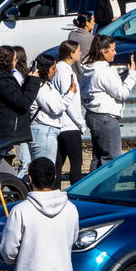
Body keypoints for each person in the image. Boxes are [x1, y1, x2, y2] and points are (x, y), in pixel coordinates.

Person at [0, 158, 78, 271]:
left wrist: (21, 261)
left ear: (30, 179)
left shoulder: (20, 211)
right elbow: (72, 240)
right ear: (55, 176)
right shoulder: (71, 208)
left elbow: (8, 250)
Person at [82, 35, 135, 171]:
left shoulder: (88, 69)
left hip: (93, 115)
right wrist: (132, 75)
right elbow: (122, 93)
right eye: (112, 50)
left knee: (98, 157)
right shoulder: (105, 71)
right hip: (106, 118)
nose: (115, 53)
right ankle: (106, 190)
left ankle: (90, 188)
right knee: (112, 159)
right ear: (103, 51)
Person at [0, 46, 40, 162]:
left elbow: (17, 96)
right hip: (8, 132)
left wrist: (28, 80)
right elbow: (23, 103)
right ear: (8, 61)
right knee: (7, 168)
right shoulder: (2, 80)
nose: (16, 62)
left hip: (8, 129)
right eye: (15, 59)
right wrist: (33, 82)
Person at [53, 41, 87, 186]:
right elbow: (70, 103)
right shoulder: (66, 73)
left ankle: (54, 191)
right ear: (71, 54)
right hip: (70, 126)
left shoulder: (57, 70)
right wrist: (81, 123)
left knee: (58, 164)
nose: (80, 53)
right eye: (78, 51)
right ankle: (76, 194)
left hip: (59, 125)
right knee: (76, 164)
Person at [30, 55, 71, 168]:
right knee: (44, 169)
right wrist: (70, 94)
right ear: (45, 69)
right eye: (53, 68)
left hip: (47, 130)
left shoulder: (47, 84)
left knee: (45, 168)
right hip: (44, 131)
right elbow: (55, 108)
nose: (56, 71)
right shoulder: (40, 86)